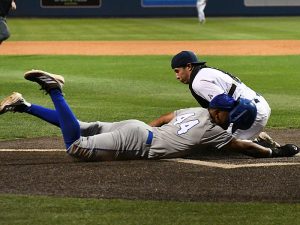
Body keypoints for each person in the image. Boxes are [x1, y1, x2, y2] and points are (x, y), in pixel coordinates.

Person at [0, 70, 298, 161]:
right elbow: (246, 147)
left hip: (139, 128)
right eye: (226, 114)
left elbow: (166, 117)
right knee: (75, 146)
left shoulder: (196, 110)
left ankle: (23, 106)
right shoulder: (217, 132)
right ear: (217, 110)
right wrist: (275, 152)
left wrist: (141, 129)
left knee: (79, 127)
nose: (228, 119)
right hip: (138, 139)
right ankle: (55, 90)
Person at [170, 50, 279, 147]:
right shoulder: (205, 72)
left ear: (189, 67)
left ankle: (266, 147)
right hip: (256, 107)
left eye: (177, 71)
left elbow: (224, 103)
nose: (177, 76)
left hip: (250, 113)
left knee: (217, 147)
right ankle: (257, 141)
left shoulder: (198, 82)